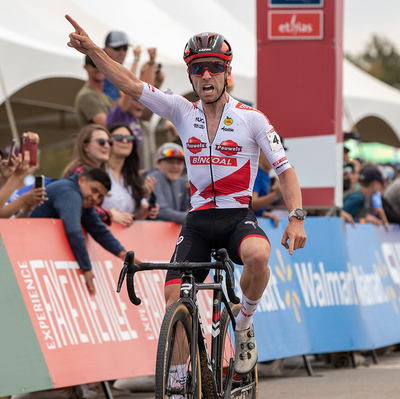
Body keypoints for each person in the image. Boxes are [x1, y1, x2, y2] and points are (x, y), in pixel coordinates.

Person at [66, 17, 307, 378]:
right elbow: (131, 85)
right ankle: (178, 382)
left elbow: (285, 170)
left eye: (214, 68)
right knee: (174, 300)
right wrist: (95, 53)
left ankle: (243, 321)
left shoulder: (252, 118)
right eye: (198, 69)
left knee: (258, 256)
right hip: (197, 221)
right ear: (191, 74)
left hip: (235, 215)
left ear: (227, 72)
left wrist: (296, 216)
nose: (206, 76)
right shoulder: (182, 111)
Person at [30, 168, 126, 295]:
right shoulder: (70, 193)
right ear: (82, 180)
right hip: (31, 248)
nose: (95, 199)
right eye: (94, 190)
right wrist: (86, 269)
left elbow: (98, 230)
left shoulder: (83, 198)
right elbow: (74, 231)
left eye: (100, 196)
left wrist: (122, 253)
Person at [62, 124, 132, 227]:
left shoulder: (94, 171)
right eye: (101, 142)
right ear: (85, 146)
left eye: (110, 142)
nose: (107, 146)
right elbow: (80, 206)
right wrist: (110, 215)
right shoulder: (81, 171)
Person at [102, 123, 158, 222]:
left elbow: (136, 215)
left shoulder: (133, 177)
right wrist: (109, 215)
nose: (125, 141)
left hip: (126, 236)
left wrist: (145, 201)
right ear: (107, 141)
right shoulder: (97, 172)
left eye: (129, 138)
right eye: (119, 138)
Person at [145, 142, 190, 224]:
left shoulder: (181, 181)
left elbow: (186, 208)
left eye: (179, 163)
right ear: (157, 164)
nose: (175, 166)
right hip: (154, 232)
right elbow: (161, 211)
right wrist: (191, 218)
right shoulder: (154, 178)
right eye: (170, 162)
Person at [75, 54, 114, 128]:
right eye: (94, 64)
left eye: (102, 65)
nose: (99, 68)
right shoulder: (87, 95)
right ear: (85, 67)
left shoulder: (105, 96)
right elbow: (107, 126)